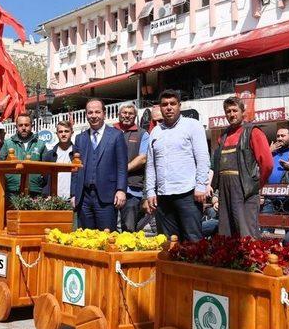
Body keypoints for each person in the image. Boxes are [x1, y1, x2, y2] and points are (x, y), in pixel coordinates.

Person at [144, 90, 210, 241]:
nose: (169, 107)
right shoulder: (155, 132)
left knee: (193, 241)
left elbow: (202, 158)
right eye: (165, 104)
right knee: (167, 243)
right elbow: (151, 165)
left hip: (188, 194)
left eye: (172, 104)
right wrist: (150, 192)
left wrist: (201, 185)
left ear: (179, 106)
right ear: (160, 108)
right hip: (163, 196)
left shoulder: (192, 126)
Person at [212, 96, 273, 238]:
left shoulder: (253, 132)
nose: (231, 114)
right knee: (226, 234)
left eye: (235, 110)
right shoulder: (223, 136)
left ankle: (251, 260)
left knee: (246, 234)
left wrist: (256, 186)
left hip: (245, 191)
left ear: (243, 112)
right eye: (228, 111)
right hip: (224, 191)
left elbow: (268, 164)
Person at [71, 98, 128, 231]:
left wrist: (121, 190)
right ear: (86, 114)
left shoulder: (116, 136)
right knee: (85, 239)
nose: (94, 116)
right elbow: (75, 169)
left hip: (107, 197)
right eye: (90, 112)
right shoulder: (80, 138)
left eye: (97, 112)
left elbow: (122, 166)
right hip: (84, 198)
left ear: (104, 113)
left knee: (106, 239)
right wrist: (73, 193)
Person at [114, 102, 150, 232]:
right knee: (107, 229)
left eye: (130, 113)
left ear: (135, 116)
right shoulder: (110, 131)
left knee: (128, 229)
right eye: (124, 113)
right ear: (119, 114)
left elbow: (143, 158)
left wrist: (121, 171)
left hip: (132, 189)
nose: (127, 116)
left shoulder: (143, 134)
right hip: (109, 188)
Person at [0, 112, 47, 195]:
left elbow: (46, 168)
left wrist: (40, 181)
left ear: (32, 125)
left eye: (26, 125)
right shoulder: (8, 144)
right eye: (20, 125)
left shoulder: (40, 144)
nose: (23, 128)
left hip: (35, 190)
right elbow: (1, 166)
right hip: (12, 190)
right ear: (16, 127)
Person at [41, 120, 77, 198]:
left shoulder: (78, 154)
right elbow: (45, 178)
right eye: (60, 132)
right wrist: (47, 194)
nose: (63, 134)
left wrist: (75, 196)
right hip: (53, 199)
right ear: (57, 134)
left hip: (72, 199)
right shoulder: (49, 155)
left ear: (72, 133)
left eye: (66, 131)